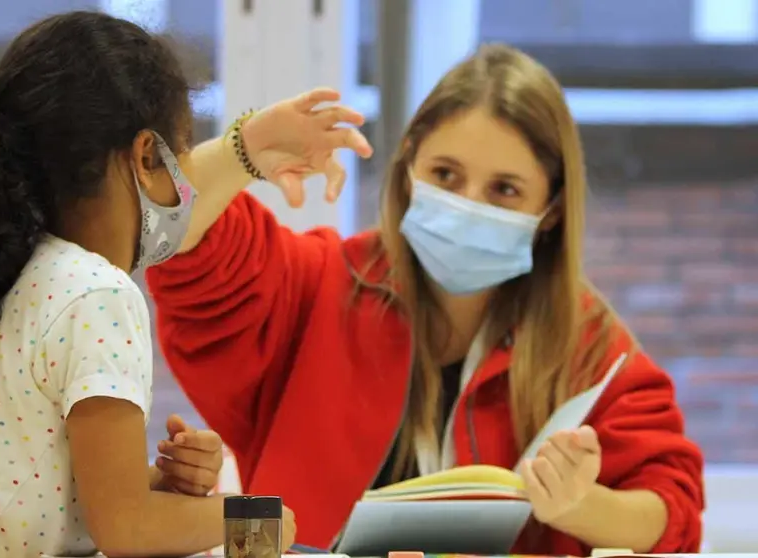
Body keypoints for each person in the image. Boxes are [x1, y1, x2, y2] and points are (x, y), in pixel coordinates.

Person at [146, 43, 705, 556]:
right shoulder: (318, 285)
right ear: (408, 166)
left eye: (504, 190)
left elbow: (671, 508)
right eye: (446, 174)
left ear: (551, 209)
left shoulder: (584, 343)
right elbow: (178, 240)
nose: (467, 204)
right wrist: (243, 151)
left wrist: (582, 505)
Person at [0, 10, 368, 558]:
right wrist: (258, 519)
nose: (189, 182)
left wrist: (166, 492)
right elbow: (125, 530)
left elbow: (57, 493)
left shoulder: (41, 273)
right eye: (184, 153)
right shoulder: (99, 292)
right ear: (147, 156)